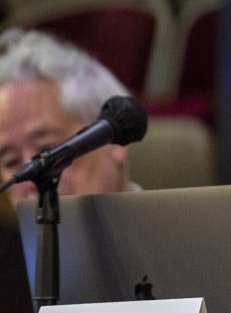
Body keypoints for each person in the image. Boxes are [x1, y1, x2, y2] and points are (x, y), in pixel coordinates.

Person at [0, 29, 136, 203]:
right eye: (11, 162)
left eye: (47, 151)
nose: (30, 178)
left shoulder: (175, 229)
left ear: (117, 140)